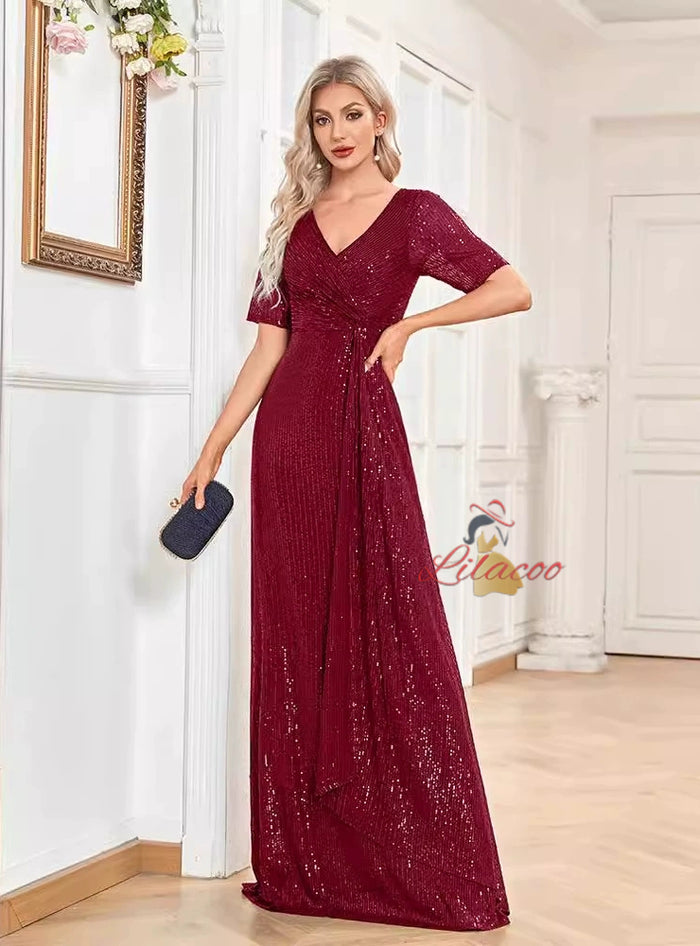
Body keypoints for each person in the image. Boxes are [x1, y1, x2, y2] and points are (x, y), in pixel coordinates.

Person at [180, 54, 531, 933]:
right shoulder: (293, 225)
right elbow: (267, 350)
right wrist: (213, 450)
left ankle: (409, 857)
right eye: (321, 119)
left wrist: (411, 323)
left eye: (350, 114)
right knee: (296, 634)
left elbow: (512, 287)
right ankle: (307, 860)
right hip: (288, 444)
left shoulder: (418, 215)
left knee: (389, 626)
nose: (336, 133)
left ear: (381, 119)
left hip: (366, 434)